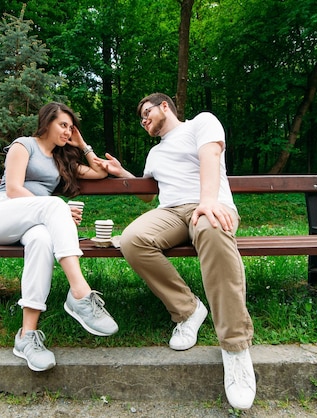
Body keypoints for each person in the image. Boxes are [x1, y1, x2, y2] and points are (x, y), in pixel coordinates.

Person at [95, 93, 256, 410]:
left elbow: (210, 157)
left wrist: (208, 201)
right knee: (132, 239)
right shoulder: (154, 154)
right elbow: (146, 195)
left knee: (212, 229)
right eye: (141, 118)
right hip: (170, 212)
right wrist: (121, 172)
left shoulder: (201, 123)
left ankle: (235, 348)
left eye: (146, 112)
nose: (144, 120)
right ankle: (188, 310)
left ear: (164, 106)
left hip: (208, 203)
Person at [0, 102, 118, 372]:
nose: (67, 131)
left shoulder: (60, 159)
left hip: (33, 224)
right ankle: (80, 293)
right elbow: (13, 189)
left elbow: (100, 172)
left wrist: (82, 144)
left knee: (42, 240)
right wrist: (57, 209)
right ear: (46, 123)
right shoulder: (24, 145)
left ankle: (26, 336)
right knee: (55, 204)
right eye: (62, 125)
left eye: (70, 127)